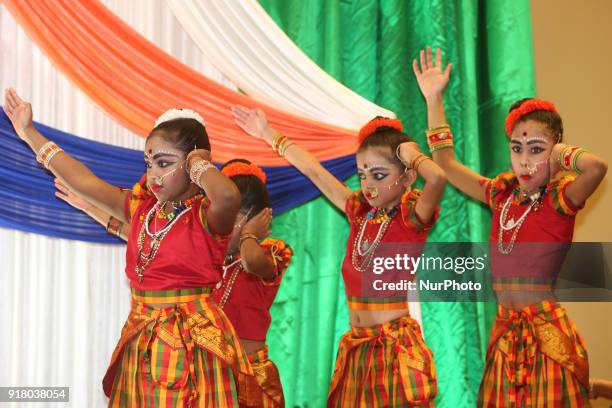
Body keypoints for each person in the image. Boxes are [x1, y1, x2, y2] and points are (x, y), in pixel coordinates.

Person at [3, 89, 252, 407]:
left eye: (164, 164)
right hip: (142, 331)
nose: (153, 176)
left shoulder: (208, 216)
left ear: (193, 166)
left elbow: (229, 196)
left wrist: (198, 163)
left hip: (194, 340)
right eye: (149, 164)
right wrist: (29, 133)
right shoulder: (142, 209)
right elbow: (86, 182)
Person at [413, 47, 608, 406]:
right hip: (506, 335)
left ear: (555, 154)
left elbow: (596, 168)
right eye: (517, 148)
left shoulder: (559, 199)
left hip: (548, 338)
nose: (524, 160)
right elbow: (446, 163)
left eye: (536, 150)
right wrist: (434, 99)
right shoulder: (501, 195)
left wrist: (560, 154)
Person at [232, 105, 446, 406]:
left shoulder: (411, 217)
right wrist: (267, 133)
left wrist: (409, 152)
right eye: (362, 175)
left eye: (379, 174)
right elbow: (314, 171)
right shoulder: (359, 212)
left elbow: (437, 178)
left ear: (408, 176)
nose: (368, 184)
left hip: (394, 346)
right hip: (357, 345)